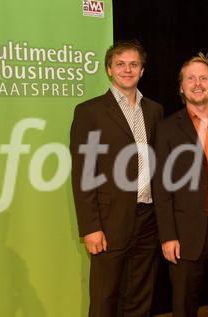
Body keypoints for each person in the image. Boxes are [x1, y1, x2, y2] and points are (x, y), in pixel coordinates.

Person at [70, 39, 164, 317]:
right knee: (105, 296)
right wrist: (91, 227)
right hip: (109, 222)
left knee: (139, 295)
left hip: (148, 219)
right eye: (120, 64)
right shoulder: (89, 112)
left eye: (133, 64)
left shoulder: (155, 111)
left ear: (142, 70)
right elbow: (84, 173)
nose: (127, 69)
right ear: (109, 70)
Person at [153, 53, 208, 317]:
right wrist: (168, 235)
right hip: (185, 232)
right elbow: (161, 187)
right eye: (190, 78)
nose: (197, 83)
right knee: (183, 306)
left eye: (204, 78)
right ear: (181, 87)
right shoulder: (167, 128)